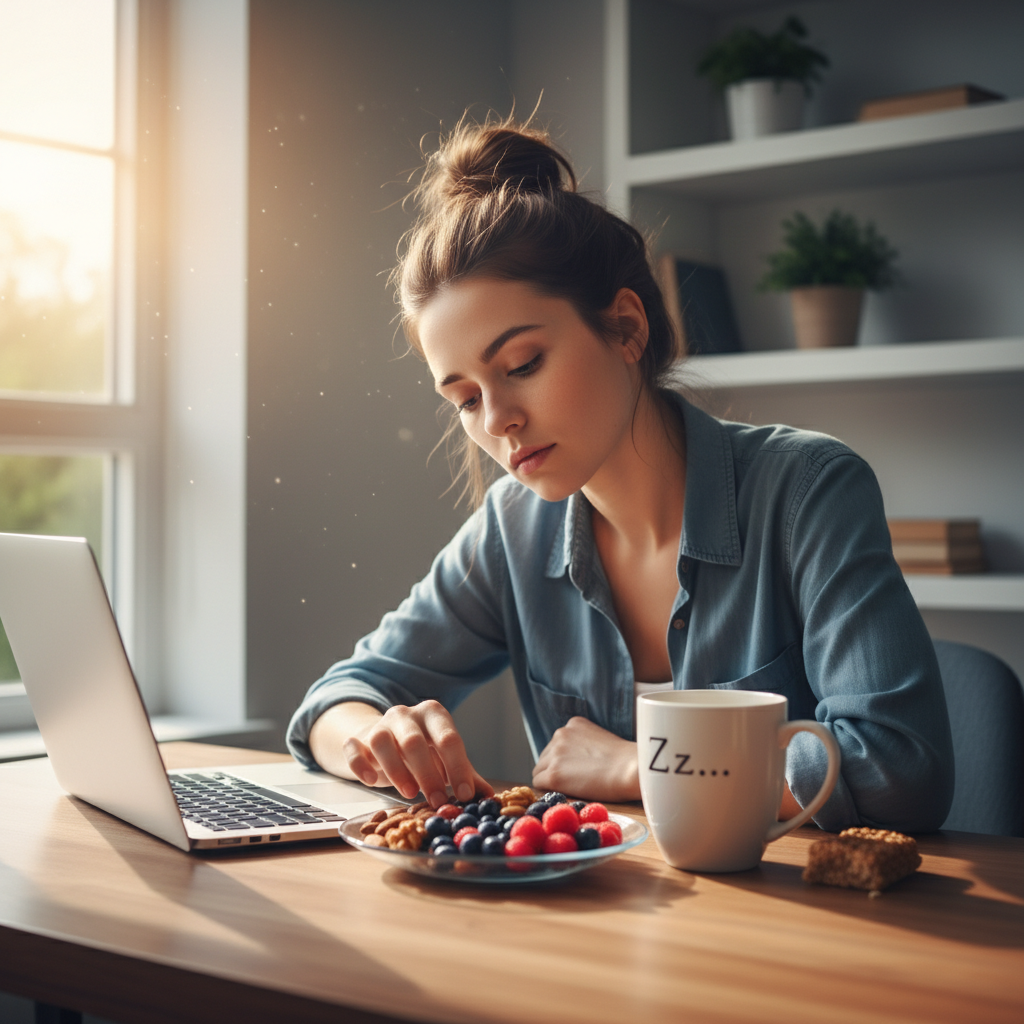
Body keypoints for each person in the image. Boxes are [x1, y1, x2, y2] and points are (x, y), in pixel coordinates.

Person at [287, 115, 953, 833]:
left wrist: (643, 766)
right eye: (465, 399)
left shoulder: (808, 491)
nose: (498, 421)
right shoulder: (512, 530)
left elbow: (896, 771)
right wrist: (377, 739)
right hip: (600, 925)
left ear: (628, 328)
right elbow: (336, 699)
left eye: (522, 366)